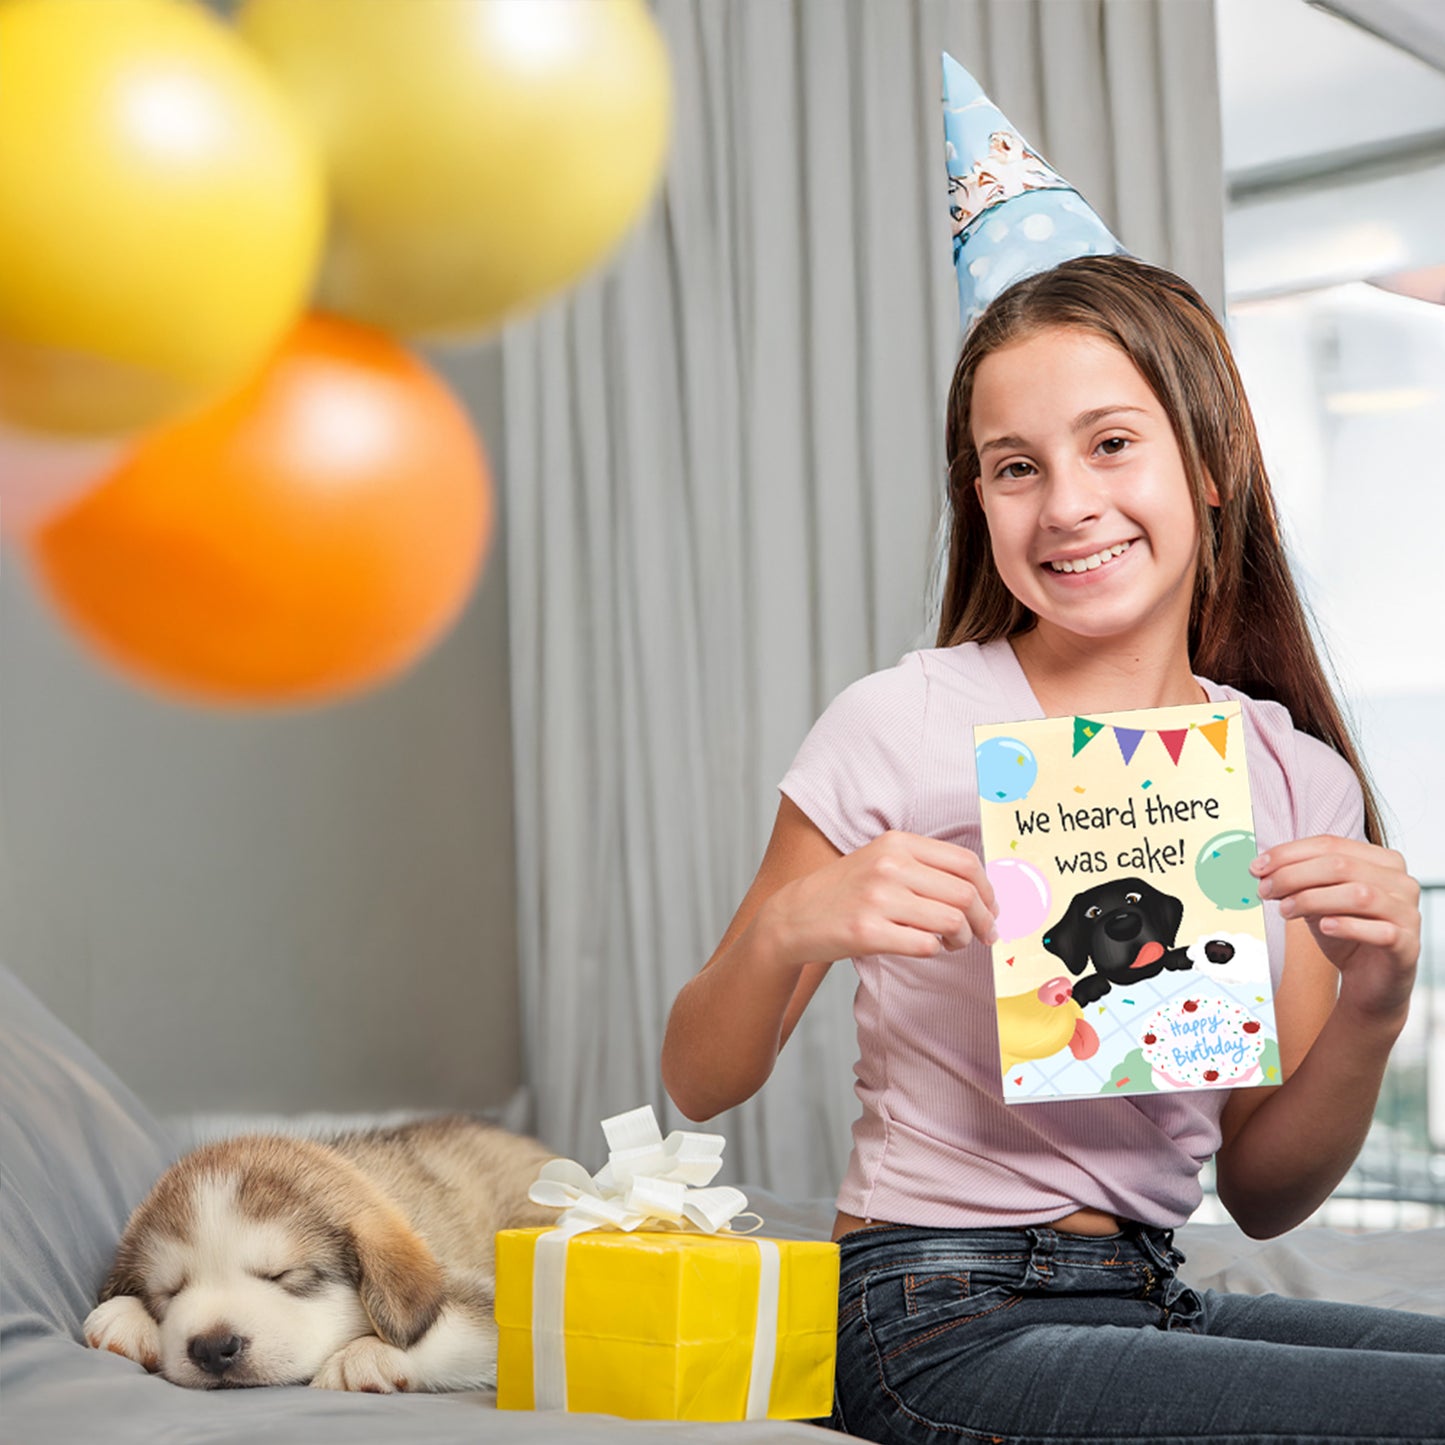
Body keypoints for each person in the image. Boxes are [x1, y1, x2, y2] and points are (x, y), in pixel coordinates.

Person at [661, 56, 1444, 1445]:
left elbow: (1263, 1192)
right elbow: (696, 1078)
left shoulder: (1290, 775)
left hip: (1145, 1288)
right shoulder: (900, 719)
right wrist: (793, 925)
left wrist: (1379, 1000)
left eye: (1111, 444)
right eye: (1015, 465)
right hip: (928, 1311)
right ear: (980, 498)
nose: (1067, 504)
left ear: (1208, 464)